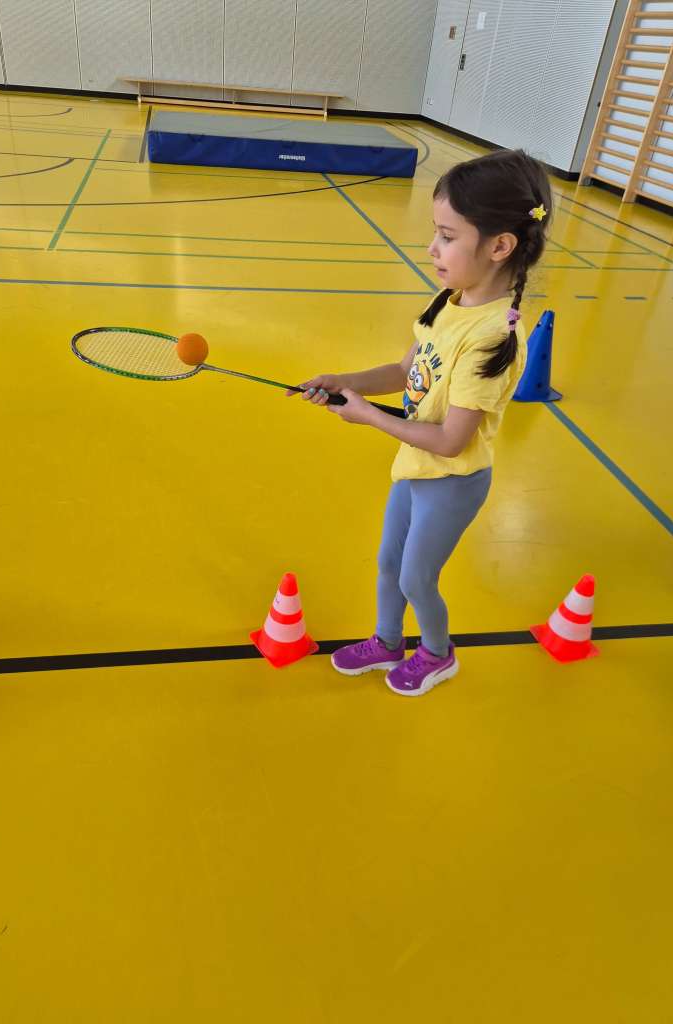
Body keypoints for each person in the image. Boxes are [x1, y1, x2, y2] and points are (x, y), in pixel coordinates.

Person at [291, 149, 552, 696]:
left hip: (452, 480)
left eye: (448, 236)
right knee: (389, 563)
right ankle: (387, 641)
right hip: (416, 463)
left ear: (500, 246)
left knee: (416, 577)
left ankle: (436, 652)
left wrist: (367, 417)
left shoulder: (492, 336)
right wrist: (344, 381)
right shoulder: (449, 299)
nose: (432, 248)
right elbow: (403, 370)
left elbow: (452, 442)